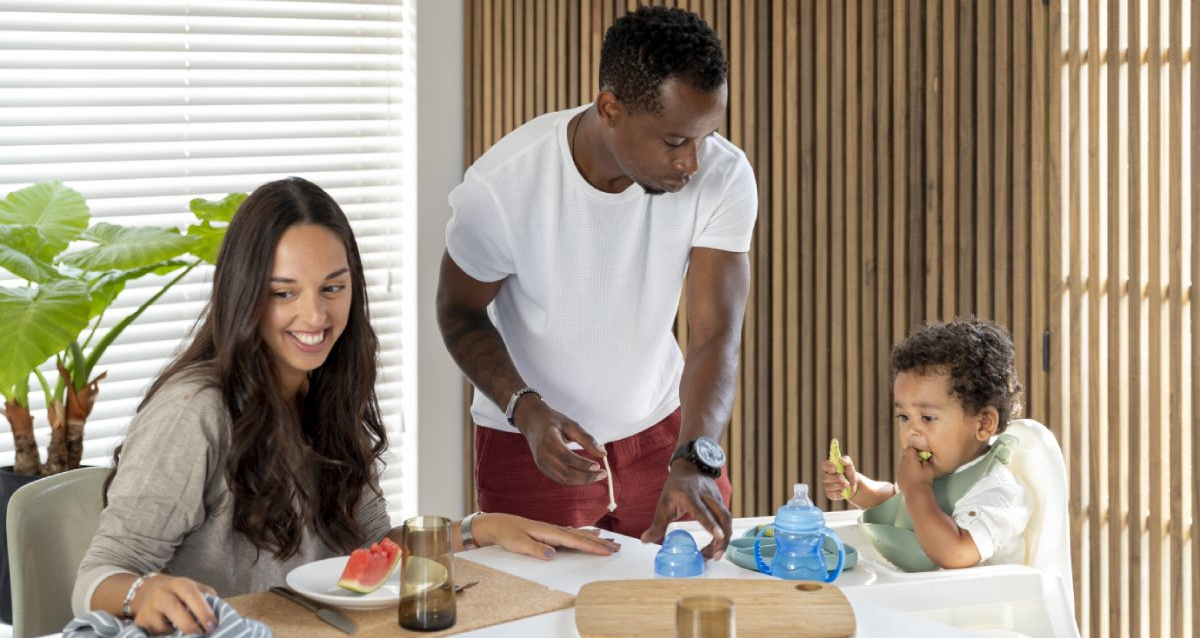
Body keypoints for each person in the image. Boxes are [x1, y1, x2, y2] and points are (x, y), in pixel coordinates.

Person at [73, 177, 619, 635]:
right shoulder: (193, 412)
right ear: (244, 293)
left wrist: (483, 528)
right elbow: (97, 579)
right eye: (283, 292)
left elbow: (370, 549)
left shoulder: (326, 390)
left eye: (332, 288)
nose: (314, 317)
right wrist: (144, 591)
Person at [436, 6, 756, 559]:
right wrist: (526, 410)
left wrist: (696, 456)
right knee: (538, 616)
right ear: (610, 109)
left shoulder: (724, 175)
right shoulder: (504, 186)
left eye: (706, 137)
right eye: (676, 141)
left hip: (664, 435)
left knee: (684, 604)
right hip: (528, 441)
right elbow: (458, 311)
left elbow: (714, 337)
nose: (694, 163)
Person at [821, 318, 1033, 569]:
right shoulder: (934, 475)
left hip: (980, 607)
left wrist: (917, 489)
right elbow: (901, 505)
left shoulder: (997, 493)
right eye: (904, 417)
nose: (911, 430)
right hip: (929, 602)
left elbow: (955, 552)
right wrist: (859, 489)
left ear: (983, 423)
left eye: (928, 418)